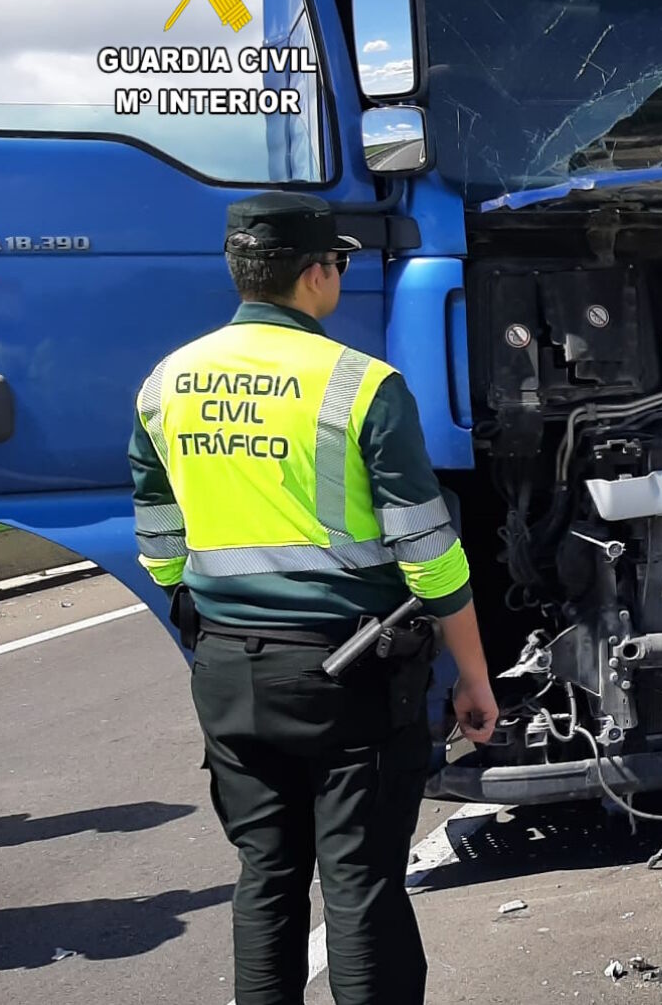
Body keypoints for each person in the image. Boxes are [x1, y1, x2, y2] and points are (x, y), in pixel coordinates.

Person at [126, 191, 500, 1005]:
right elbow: (432, 559)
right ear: (317, 273)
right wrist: (472, 675)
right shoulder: (361, 385)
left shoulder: (165, 383)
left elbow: (158, 543)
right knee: (360, 884)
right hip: (347, 678)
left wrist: (208, 621)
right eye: (337, 261)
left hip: (230, 672)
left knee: (266, 876)